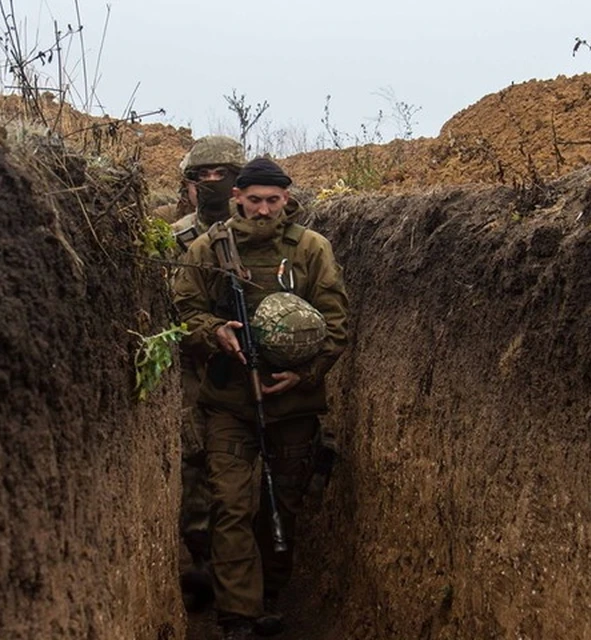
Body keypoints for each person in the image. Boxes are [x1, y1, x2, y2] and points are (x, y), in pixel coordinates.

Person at [173, 158, 349, 640]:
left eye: (274, 201)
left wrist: (302, 373)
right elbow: (186, 311)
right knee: (229, 505)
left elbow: (336, 325)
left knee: (281, 503)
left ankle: (271, 594)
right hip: (229, 402)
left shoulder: (311, 250)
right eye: (254, 200)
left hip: (293, 406)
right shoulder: (208, 249)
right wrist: (215, 333)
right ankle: (238, 615)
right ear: (237, 198)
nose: (264, 209)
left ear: (287, 200)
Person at [172, 135, 246, 613]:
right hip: (193, 363)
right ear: (191, 184)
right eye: (204, 176)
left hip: (248, 363)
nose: (213, 183)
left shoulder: (263, 228)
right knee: (193, 455)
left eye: (223, 174)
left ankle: (248, 573)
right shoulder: (175, 237)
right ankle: (202, 560)